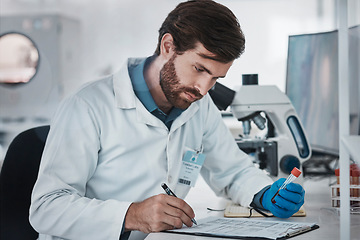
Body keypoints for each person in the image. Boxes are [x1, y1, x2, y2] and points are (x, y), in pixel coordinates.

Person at [29, 1, 305, 239]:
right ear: (168, 46)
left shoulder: (199, 105)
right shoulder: (87, 105)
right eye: (199, 69)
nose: (204, 88)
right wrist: (131, 214)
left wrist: (265, 193)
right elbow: (46, 208)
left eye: (215, 79)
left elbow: (231, 171)